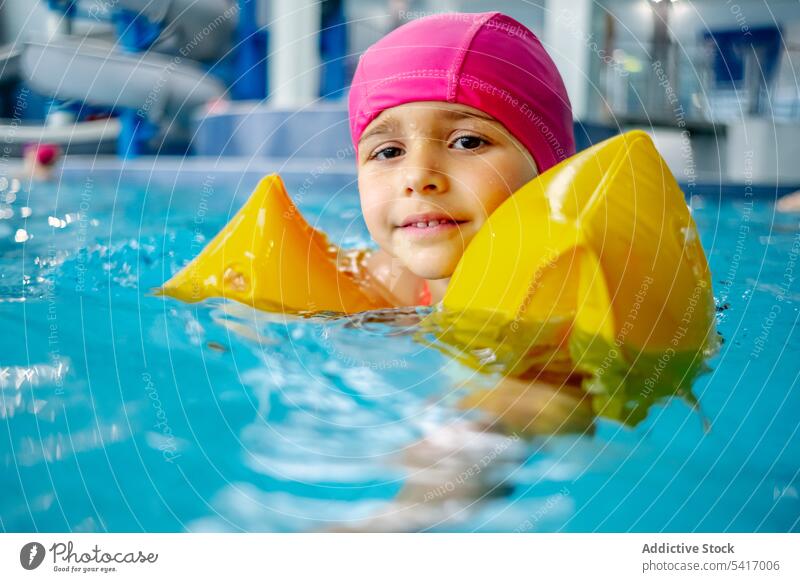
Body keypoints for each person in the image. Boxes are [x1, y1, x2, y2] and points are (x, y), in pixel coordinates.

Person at [348, 11, 575, 307]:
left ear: (548, 171)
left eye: (466, 142)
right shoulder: (386, 283)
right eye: (389, 152)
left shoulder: (580, 300)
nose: (417, 176)